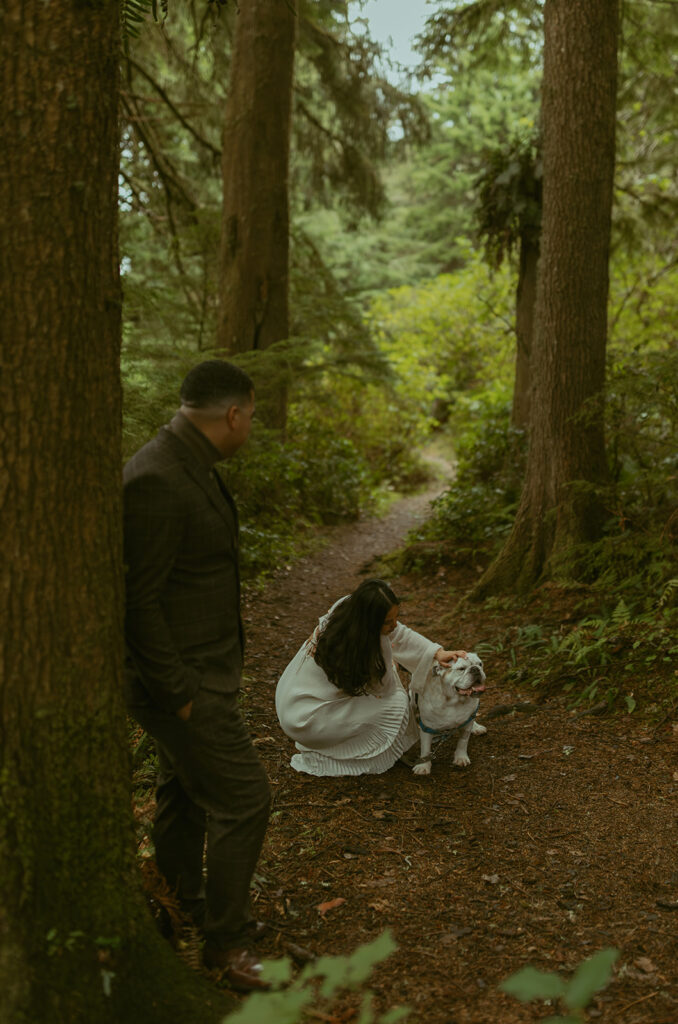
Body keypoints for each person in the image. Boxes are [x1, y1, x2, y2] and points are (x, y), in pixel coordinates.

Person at [123, 359, 271, 991]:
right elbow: (137, 601)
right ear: (233, 414)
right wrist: (180, 695)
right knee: (245, 798)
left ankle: (181, 906)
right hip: (182, 684)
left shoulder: (191, 463)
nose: (251, 426)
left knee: (184, 791)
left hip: (202, 673)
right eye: (252, 416)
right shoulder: (157, 477)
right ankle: (226, 948)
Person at [275, 579, 466, 776]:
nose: (394, 625)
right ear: (370, 621)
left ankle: (339, 741)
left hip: (290, 704)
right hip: (309, 719)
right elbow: (385, 692)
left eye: (396, 617)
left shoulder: (345, 607)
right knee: (398, 703)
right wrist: (391, 666)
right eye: (387, 622)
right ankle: (353, 755)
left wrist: (435, 652)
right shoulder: (369, 651)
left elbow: (398, 633)